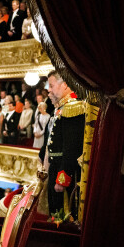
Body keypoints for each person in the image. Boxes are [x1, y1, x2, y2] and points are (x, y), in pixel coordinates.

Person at [40, 71, 86, 216]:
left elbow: (72, 148)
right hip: (55, 167)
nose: (49, 89)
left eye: (52, 85)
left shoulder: (73, 107)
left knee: (63, 215)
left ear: (65, 84)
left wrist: (63, 177)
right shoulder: (61, 108)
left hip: (64, 171)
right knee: (55, 214)